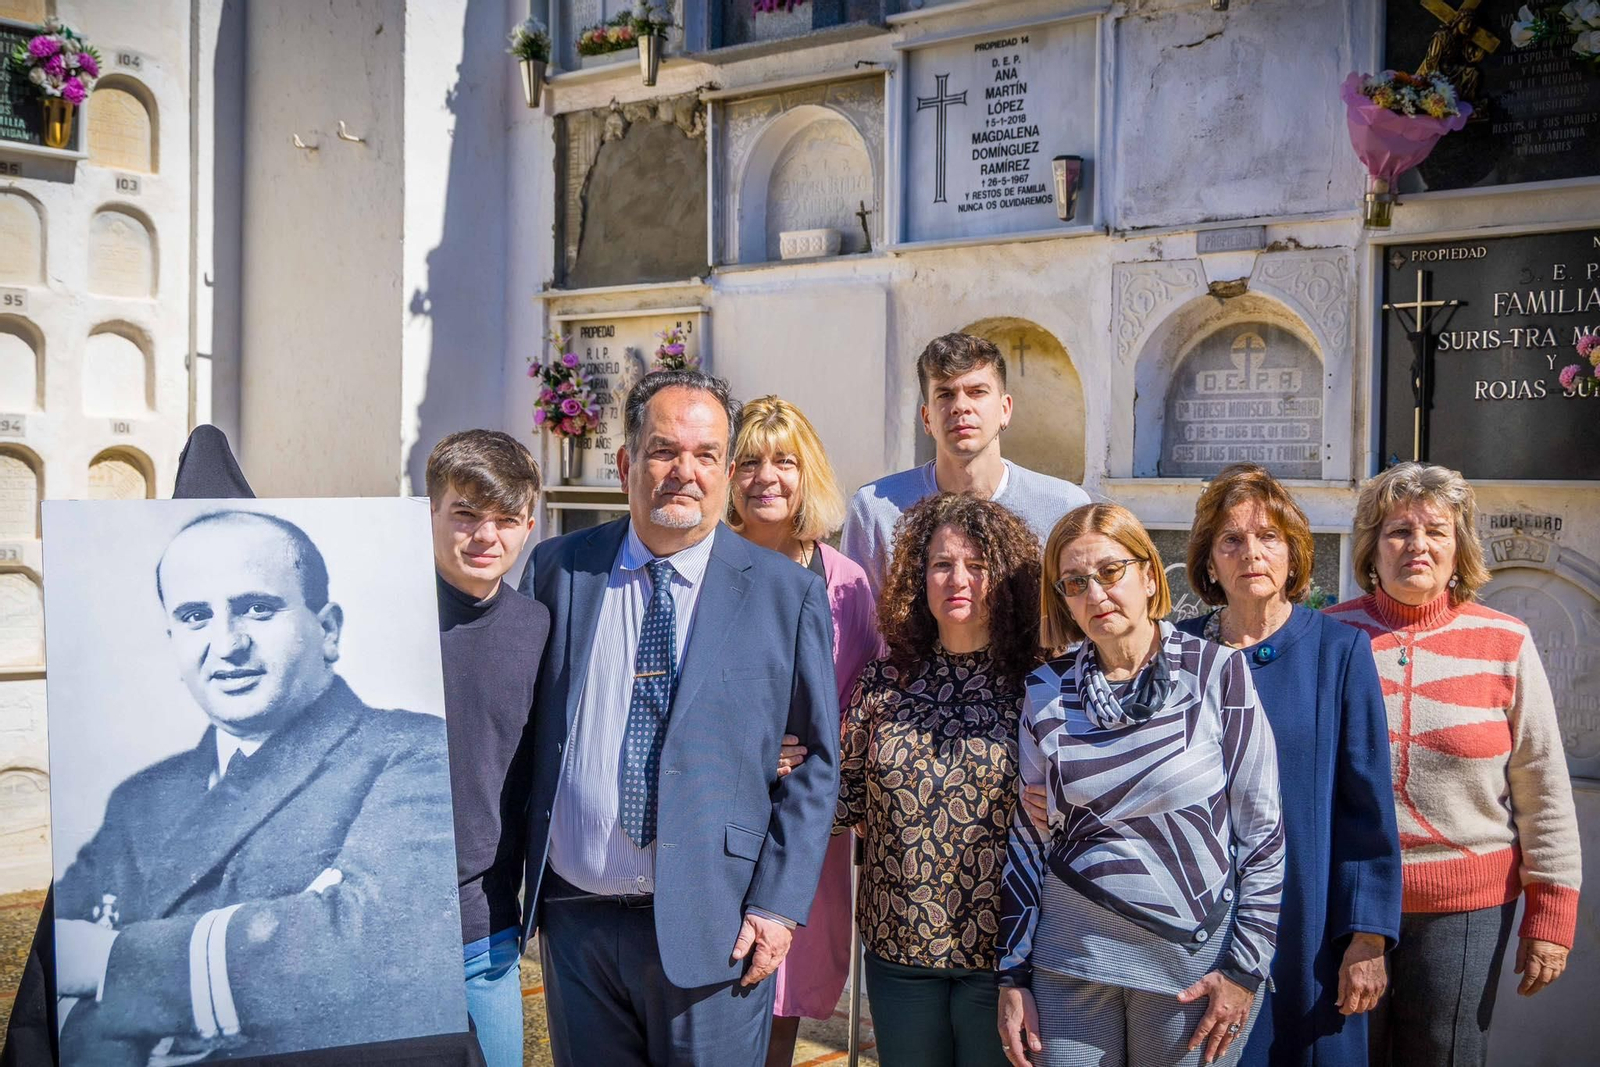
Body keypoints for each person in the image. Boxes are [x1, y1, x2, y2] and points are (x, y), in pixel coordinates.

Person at [52, 509, 462, 1064]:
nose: (227, 644)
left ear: (328, 630)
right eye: (195, 616)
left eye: (257, 608)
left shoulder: (411, 753)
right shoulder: (140, 799)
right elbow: (57, 959)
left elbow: (370, 945)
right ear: (173, 642)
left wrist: (110, 963)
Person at [517, 370, 841, 1067]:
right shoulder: (558, 571)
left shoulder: (785, 594)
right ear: (626, 463)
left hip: (716, 928)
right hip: (575, 924)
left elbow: (815, 764)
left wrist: (778, 906)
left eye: (705, 455)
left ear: (725, 470)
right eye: (664, 450)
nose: (683, 472)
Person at [999, 503, 1285, 1067]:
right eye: (1075, 582)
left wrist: (1245, 970)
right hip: (1068, 963)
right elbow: (1028, 842)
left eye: (1111, 572)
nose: (1096, 593)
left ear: (1150, 576)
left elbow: (1263, 834)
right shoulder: (1045, 691)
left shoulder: (1217, 672)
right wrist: (1012, 973)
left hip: (1192, 971)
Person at [1326, 463, 1582, 1067]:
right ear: (1372, 548)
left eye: (1436, 531)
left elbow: (1541, 783)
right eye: (1398, 531)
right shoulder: (1330, 637)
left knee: (1447, 1055)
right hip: (1346, 899)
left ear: (1459, 547)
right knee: (1342, 1055)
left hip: (1467, 907)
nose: (1417, 545)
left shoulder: (1505, 641)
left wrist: (1551, 910)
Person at [1174, 464, 1401, 1067]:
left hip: (1308, 928)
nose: (1251, 552)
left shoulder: (1338, 651)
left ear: (1293, 554)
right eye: (1231, 539)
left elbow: (1366, 806)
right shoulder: (1174, 652)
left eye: (1268, 537)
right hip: (1198, 928)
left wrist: (1368, 937)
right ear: (1209, 562)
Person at [836, 492, 1041, 1067]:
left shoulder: (1039, 686)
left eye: (978, 565)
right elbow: (840, 802)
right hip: (898, 947)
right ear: (917, 577)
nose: (959, 579)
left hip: (1004, 956)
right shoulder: (882, 682)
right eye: (942, 564)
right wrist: (772, 759)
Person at [724, 395, 881, 1067]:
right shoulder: (706, 564)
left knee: (782, 999)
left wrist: (827, 754)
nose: (767, 477)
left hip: (807, 828)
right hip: (721, 817)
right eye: (749, 461)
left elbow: (865, 696)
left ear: (807, 470)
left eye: (784, 461)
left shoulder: (845, 581)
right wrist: (750, 751)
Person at [426, 430, 551, 1067]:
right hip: (376, 934)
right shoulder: (379, 618)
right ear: (429, 512)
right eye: (466, 514)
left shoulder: (539, 629)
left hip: (486, 932)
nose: (485, 536)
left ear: (529, 525)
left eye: (505, 519)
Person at [840, 332, 1090, 600]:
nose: (960, 406)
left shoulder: (1064, 507)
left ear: (1005, 409)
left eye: (977, 392)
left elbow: (1080, 613)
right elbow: (856, 618)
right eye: (945, 394)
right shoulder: (875, 510)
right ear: (926, 418)